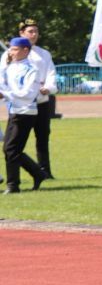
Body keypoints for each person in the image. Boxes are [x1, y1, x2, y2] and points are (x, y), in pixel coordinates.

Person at [0, 19, 58, 178]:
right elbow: (3, 78)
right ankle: (27, 174)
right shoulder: (9, 54)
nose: (34, 35)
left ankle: (45, 171)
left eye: (36, 32)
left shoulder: (43, 54)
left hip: (40, 101)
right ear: (22, 33)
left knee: (42, 138)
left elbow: (51, 74)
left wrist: (49, 87)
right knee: (14, 144)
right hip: (21, 105)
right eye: (30, 32)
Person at [1, 37, 47, 193]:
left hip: (26, 112)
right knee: (10, 149)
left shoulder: (32, 70)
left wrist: (5, 94)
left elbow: (27, 94)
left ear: (25, 50)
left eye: (14, 49)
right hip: (14, 111)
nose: (11, 52)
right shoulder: (10, 67)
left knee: (11, 149)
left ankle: (13, 185)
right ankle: (37, 173)